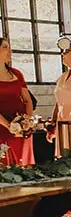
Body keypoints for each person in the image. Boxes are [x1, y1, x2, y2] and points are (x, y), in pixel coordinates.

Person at [0, 35, 37, 166]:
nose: (10, 51)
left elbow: (27, 100)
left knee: (23, 161)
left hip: (21, 126)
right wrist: (9, 126)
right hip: (2, 126)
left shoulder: (16, 73)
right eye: (5, 47)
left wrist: (28, 122)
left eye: (10, 48)